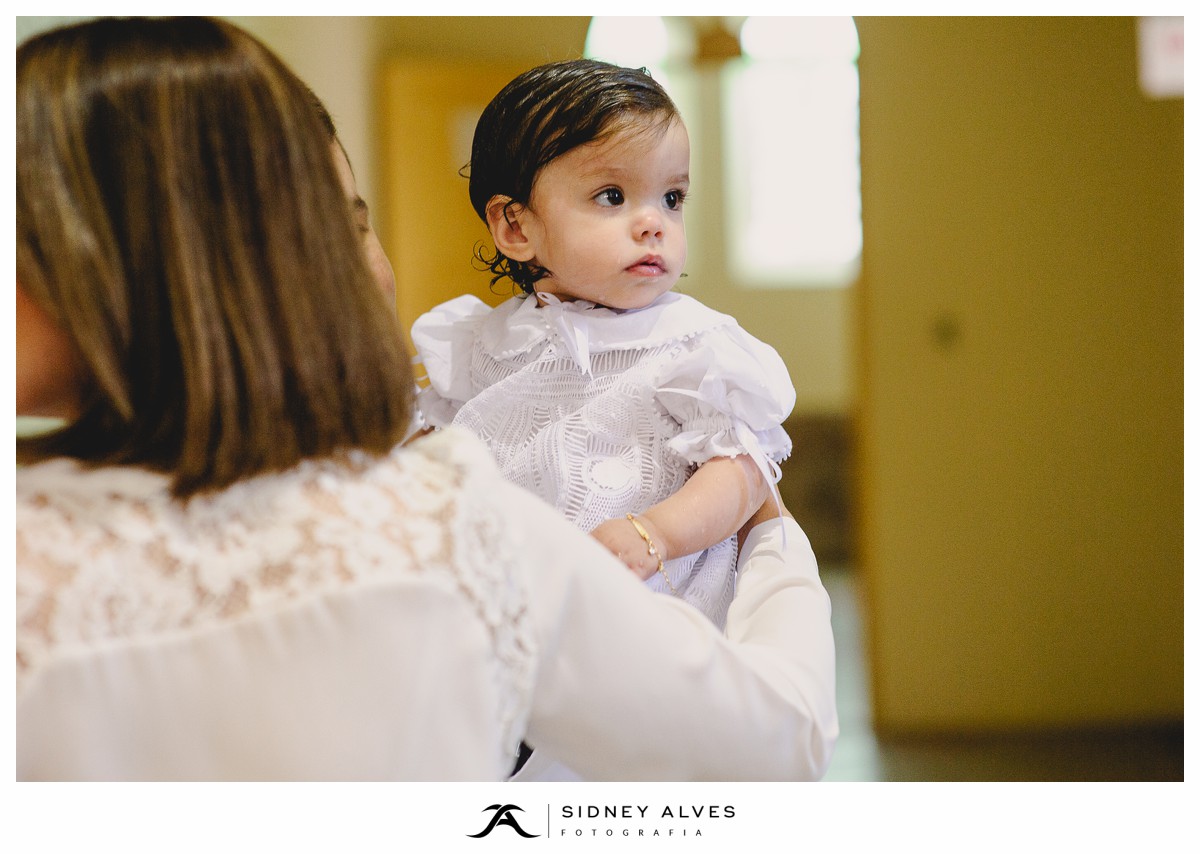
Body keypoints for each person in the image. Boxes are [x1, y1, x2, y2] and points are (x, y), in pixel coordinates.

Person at [15, 16, 838, 781]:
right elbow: (775, 743)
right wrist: (772, 539)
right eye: (342, 224)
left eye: (672, 197)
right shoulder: (451, 527)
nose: (654, 223)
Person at [411, 59, 794, 630]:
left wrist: (658, 532)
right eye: (612, 196)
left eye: (672, 197)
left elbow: (743, 469)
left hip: (654, 614)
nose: (653, 223)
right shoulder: (480, 345)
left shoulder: (691, 345)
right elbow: (438, 454)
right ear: (516, 227)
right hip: (518, 617)